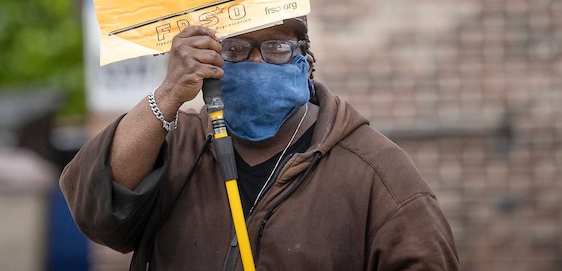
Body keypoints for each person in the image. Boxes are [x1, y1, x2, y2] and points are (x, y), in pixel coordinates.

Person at [60, 17, 460, 270]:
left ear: (305, 62)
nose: (254, 63)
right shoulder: (177, 145)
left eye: (276, 48)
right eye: (234, 49)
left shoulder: (376, 172)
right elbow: (94, 210)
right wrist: (168, 93)